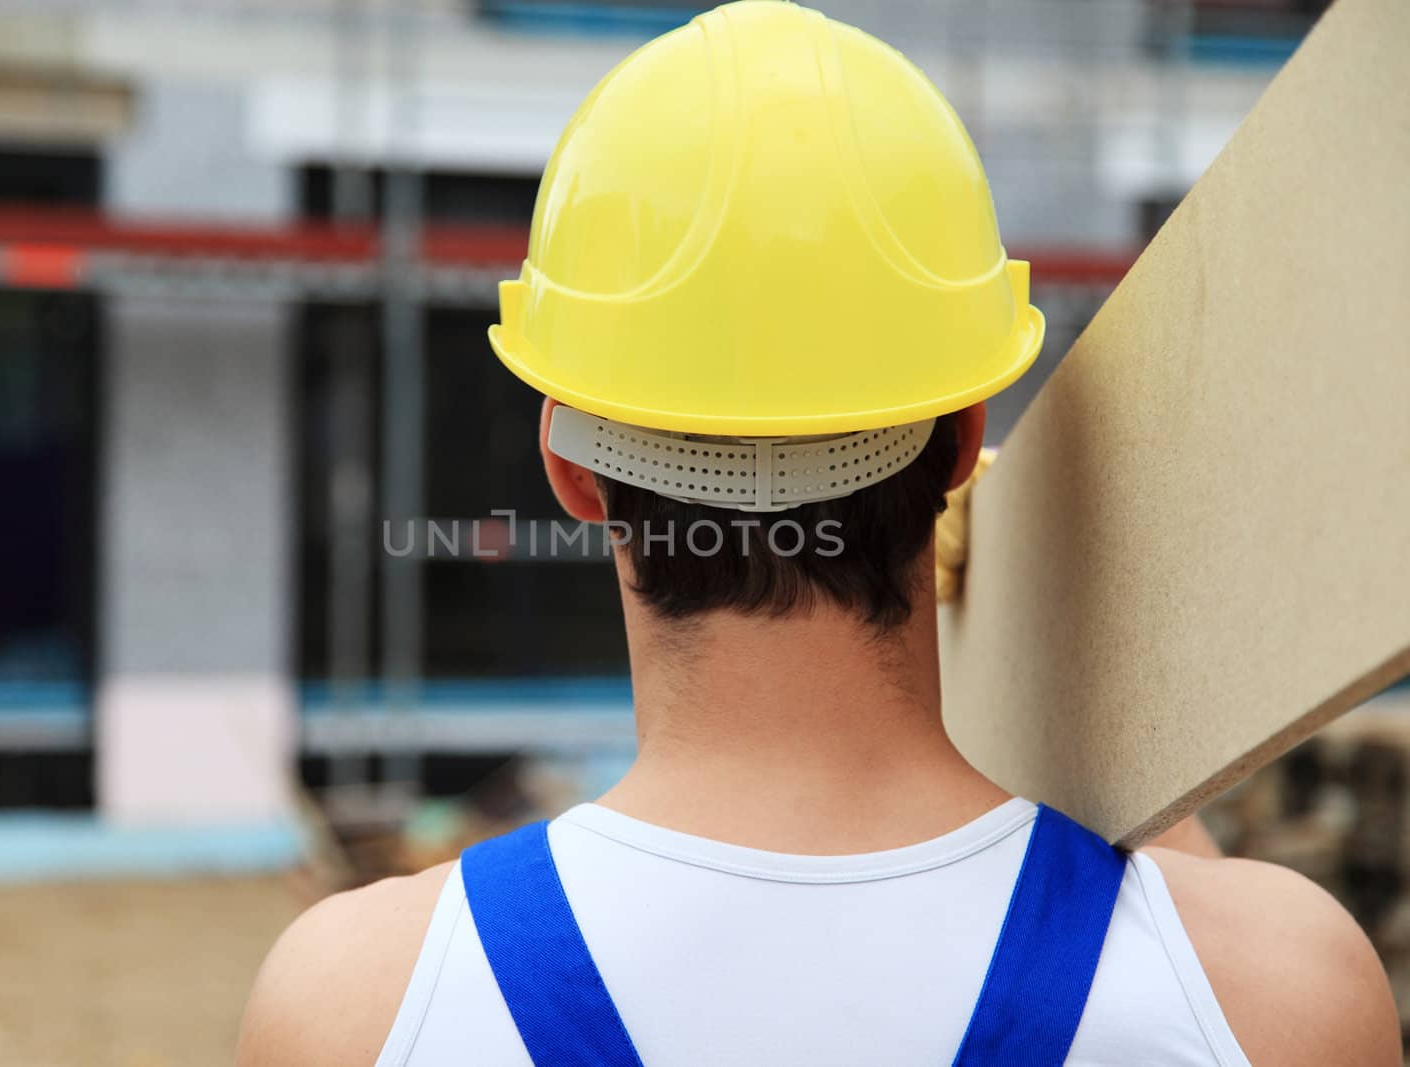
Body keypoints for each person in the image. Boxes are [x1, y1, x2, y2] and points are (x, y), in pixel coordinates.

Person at [237, 3, 1398, 1064]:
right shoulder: (1280, 990)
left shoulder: (355, 1003)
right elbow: (1170, 937)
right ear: (957, 450)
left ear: (572, 470)